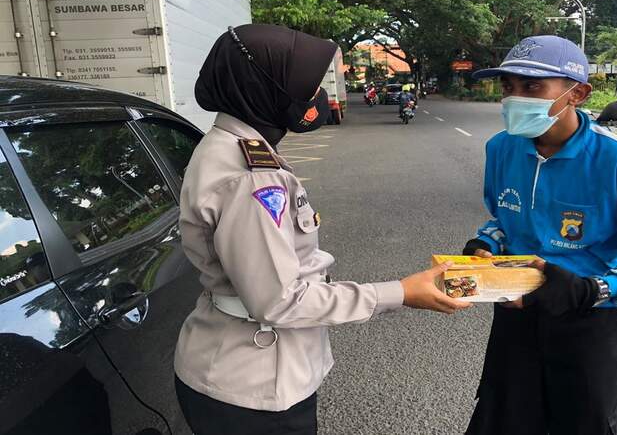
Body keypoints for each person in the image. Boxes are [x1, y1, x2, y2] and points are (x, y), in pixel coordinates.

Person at [174, 24, 470, 435]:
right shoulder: (250, 177)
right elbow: (279, 301)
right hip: (254, 386)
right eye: (304, 85)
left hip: (242, 366)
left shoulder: (231, 147)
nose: (316, 97)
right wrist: (401, 292)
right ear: (264, 88)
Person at [463, 35, 617, 434]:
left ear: (577, 93)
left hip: (587, 325)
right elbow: (504, 218)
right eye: (508, 87)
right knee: (505, 421)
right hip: (514, 321)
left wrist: (591, 289)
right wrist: (485, 243)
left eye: (531, 87)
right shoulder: (501, 149)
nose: (514, 98)